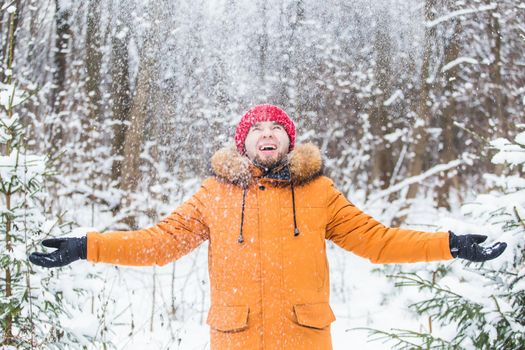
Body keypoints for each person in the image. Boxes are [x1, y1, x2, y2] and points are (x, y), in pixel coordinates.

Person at [30, 104, 507, 349]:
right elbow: (157, 244)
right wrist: (85, 245)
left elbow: (379, 243)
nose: (266, 133)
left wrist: (452, 244)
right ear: (243, 144)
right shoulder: (213, 195)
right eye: (256, 129)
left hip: (305, 339)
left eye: (275, 128)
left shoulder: (320, 193)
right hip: (235, 339)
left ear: (288, 141)